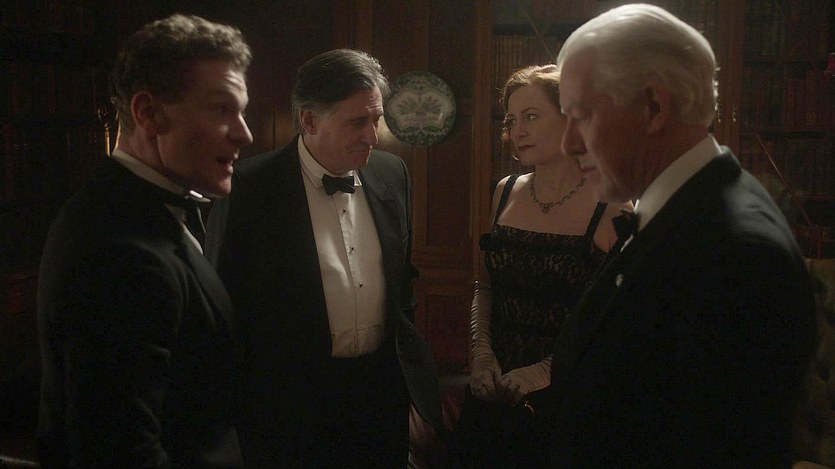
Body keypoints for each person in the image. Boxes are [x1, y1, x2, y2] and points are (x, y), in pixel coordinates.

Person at [537, 4, 816, 467]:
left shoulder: (738, 256)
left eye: (581, 115)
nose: (568, 143)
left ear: (653, 107)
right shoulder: (685, 210)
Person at [205, 48, 443, 468]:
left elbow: (403, 281)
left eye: (376, 120)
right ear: (310, 120)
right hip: (289, 405)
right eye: (357, 122)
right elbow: (223, 309)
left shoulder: (392, 173)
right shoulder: (249, 188)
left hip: (380, 395)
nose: (372, 137)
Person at [35, 14, 253, 467]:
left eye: (242, 111)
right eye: (221, 109)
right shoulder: (119, 251)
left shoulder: (136, 206)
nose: (244, 133)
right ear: (148, 114)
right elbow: (120, 452)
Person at [457, 64, 622, 467]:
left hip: (568, 400)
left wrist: (543, 373)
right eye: (512, 120)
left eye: (531, 117)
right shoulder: (505, 191)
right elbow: (485, 286)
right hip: (493, 390)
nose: (518, 131)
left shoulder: (612, 204)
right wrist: (481, 357)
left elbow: (612, 321)